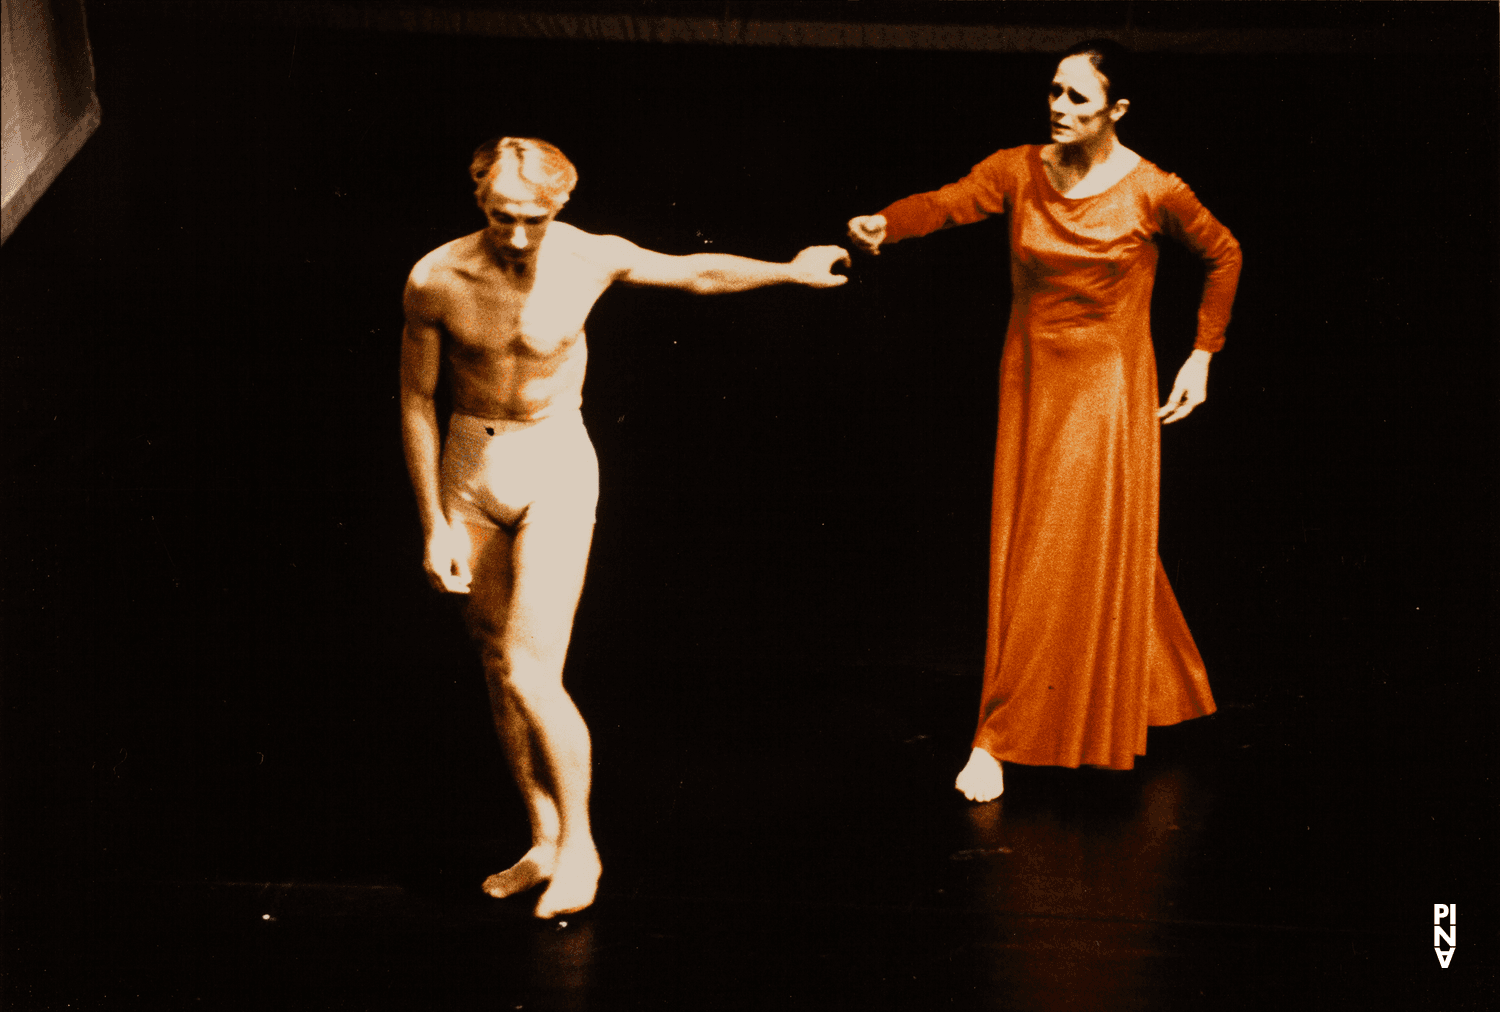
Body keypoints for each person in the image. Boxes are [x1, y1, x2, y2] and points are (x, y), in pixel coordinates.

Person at [401, 137, 849, 917]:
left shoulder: (587, 257)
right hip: (470, 466)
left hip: (554, 461)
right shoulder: (436, 279)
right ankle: (542, 838)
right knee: (493, 660)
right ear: (478, 201)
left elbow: (695, 271)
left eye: (531, 219)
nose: (514, 235)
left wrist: (791, 271)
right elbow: (415, 399)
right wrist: (436, 519)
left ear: (560, 205)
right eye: (501, 216)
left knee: (532, 670)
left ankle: (584, 848)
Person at [846, 40, 1242, 801]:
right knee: (1083, 540)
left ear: (1116, 111)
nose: (1058, 108)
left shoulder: (1156, 190)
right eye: (1055, 92)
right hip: (1032, 379)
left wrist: (1202, 355)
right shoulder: (1020, 169)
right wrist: (885, 225)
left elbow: (1224, 254)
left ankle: (997, 737)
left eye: (1078, 99)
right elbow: (949, 201)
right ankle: (1161, 691)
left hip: (1107, 388)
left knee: (1050, 550)